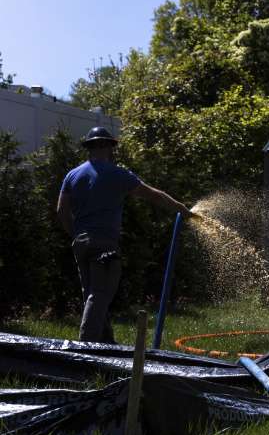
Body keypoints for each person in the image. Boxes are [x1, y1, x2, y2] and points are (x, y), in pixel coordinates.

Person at [56, 127, 193, 344]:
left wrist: (76, 235)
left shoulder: (72, 175)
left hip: (81, 243)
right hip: (105, 244)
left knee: (92, 295)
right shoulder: (118, 175)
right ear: (109, 147)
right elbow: (154, 196)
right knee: (100, 295)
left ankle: (106, 344)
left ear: (89, 148)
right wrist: (181, 208)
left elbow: (61, 211)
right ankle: (85, 350)